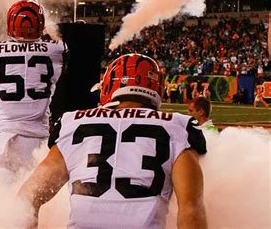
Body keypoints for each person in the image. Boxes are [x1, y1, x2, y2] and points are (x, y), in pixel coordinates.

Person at [19, 54, 207, 228]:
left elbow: (29, 196)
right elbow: (191, 210)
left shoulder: (73, 123)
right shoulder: (179, 127)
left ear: (109, 86)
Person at [0, 0, 68, 174]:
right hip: (39, 144)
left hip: (3, 142)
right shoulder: (57, 51)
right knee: (33, 198)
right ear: (41, 25)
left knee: (1, 197)